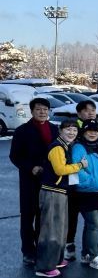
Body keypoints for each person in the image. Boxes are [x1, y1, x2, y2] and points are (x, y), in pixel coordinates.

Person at [9, 97, 58, 265]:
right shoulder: (22, 131)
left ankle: (42, 249)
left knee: (45, 217)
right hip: (29, 180)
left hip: (50, 179)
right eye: (38, 109)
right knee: (28, 216)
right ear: (32, 111)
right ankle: (28, 251)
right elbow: (15, 156)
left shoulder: (54, 129)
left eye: (45, 109)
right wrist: (31, 167)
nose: (42, 112)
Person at [34, 119, 84, 278]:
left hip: (60, 191)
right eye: (68, 129)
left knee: (60, 228)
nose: (71, 132)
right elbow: (60, 169)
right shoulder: (57, 147)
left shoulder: (65, 146)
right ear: (60, 131)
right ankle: (44, 267)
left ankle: (56, 259)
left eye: (74, 130)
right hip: (52, 192)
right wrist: (80, 165)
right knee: (50, 230)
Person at [71, 120, 98, 270]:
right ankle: (94, 256)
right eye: (89, 130)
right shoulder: (79, 148)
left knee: (90, 224)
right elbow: (76, 169)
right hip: (86, 192)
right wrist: (91, 181)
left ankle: (86, 254)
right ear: (84, 132)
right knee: (94, 224)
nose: (93, 133)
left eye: (96, 131)